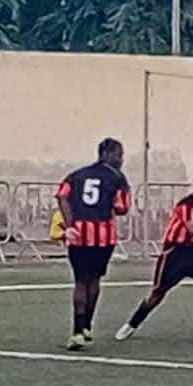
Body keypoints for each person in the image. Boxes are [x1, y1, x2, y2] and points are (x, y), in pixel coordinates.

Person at [113, 170, 193, 343]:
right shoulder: (186, 204)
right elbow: (192, 228)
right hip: (176, 252)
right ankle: (132, 324)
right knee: (157, 294)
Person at [55, 138, 132, 350]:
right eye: (119, 155)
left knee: (80, 281)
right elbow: (122, 207)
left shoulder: (76, 175)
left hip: (78, 234)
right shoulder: (117, 178)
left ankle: (78, 330)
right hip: (103, 236)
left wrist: (69, 224)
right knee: (94, 279)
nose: (121, 160)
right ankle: (87, 325)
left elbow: (61, 196)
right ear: (106, 154)